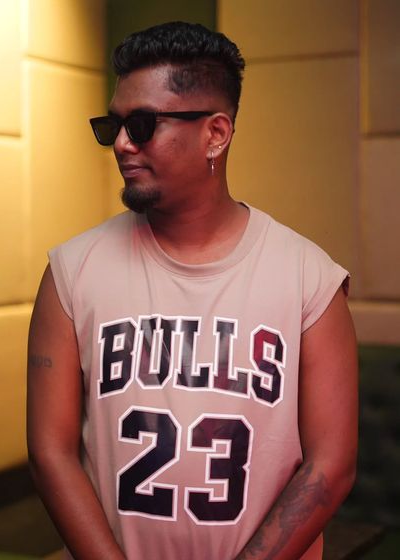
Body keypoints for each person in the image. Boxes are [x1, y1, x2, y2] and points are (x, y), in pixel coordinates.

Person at [27, 21, 358, 560]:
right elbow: (50, 453)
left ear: (216, 134)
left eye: (142, 124)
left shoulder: (310, 280)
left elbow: (331, 467)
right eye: (114, 126)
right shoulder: (71, 272)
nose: (122, 144)